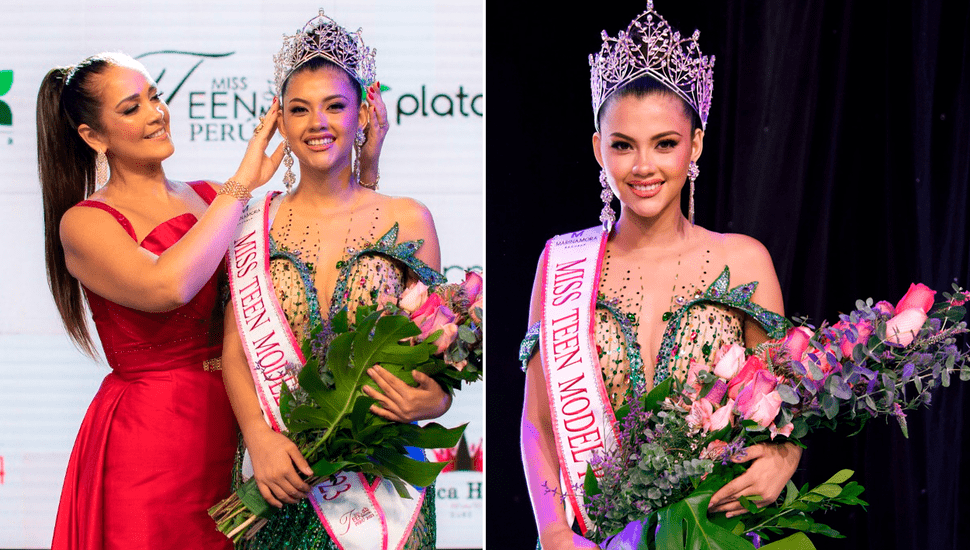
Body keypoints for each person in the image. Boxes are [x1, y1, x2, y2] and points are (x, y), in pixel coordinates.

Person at [36, 51, 386, 549]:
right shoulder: (86, 222)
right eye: (132, 108)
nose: (156, 113)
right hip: (154, 437)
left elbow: (326, 258)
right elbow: (168, 286)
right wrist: (243, 183)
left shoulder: (211, 196)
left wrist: (365, 167)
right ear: (93, 136)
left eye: (156, 97)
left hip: (244, 425)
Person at [518, 3, 801, 548]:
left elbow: (788, 402)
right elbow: (538, 422)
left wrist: (784, 457)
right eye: (623, 145)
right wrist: (552, 528)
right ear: (600, 150)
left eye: (664, 143)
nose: (643, 166)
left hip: (715, 535)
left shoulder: (742, 260)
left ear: (694, 145)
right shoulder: (562, 263)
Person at [221, 11, 452, 550]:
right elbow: (235, 349)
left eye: (335, 105)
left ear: (362, 114)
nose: (316, 122)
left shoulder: (408, 218)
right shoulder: (251, 223)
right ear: (281, 121)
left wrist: (433, 402)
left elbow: (439, 347)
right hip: (281, 471)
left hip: (382, 482)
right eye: (299, 109)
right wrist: (258, 439)